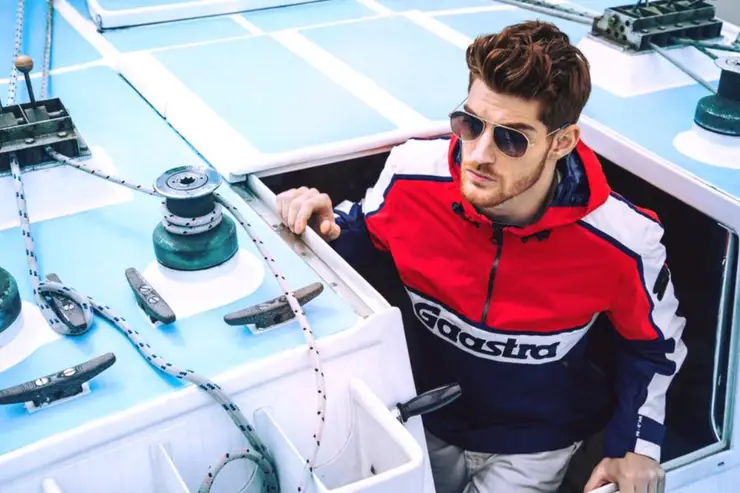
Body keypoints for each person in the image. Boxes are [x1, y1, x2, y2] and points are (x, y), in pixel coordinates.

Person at [275, 20, 687, 493]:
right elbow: (364, 238)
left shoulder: (625, 241)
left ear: (562, 142)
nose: (478, 154)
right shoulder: (410, 175)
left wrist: (637, 446)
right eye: (469, 124)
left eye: (511, 138)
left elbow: (655, 346)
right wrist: (321, 228)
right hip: (423, 416)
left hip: (536, 444)